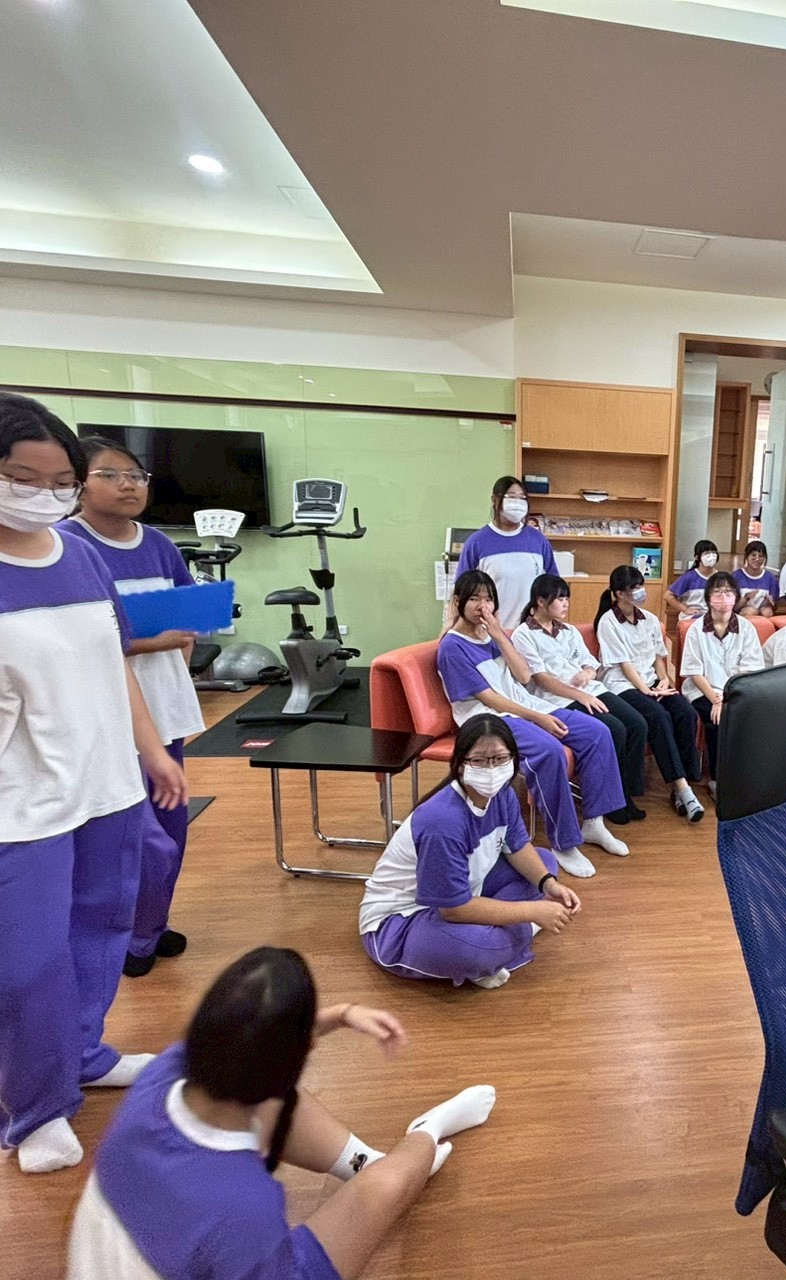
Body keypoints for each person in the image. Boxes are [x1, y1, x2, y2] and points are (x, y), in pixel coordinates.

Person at [0, 392, 186, 1175]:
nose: (44, 495)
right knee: (28, 964)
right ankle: (36, 1108)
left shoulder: (77, 555)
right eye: (23, 478)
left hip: (109, 786)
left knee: (100, 932)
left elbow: (115, 660)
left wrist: (152, 750)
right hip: (23, 805)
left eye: (60, 482)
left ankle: (82, 1052)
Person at [67, 946, 496, 1279]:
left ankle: (363, 1161)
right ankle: (426, 1132)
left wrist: (341, 1016)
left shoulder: (164, 1072)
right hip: (217, 1247)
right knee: (380, 1193)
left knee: (279, 1101)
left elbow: (247, 1040)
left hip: (125, 1250)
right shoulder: (245, 1202)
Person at [61, 436, 205, 978]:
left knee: (170, 830)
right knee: (130, 840)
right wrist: (151, 643)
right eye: (112, 474)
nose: (128, 485)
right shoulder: (67, 544)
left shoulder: (160, 543)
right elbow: (72, 641)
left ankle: (150, 926)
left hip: (162, 711)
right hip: (101, 718)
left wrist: (178, 652)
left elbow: (187, 618)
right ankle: (120, 935)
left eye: (137, 476)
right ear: (79, 483)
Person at [361, 716, 582, 990]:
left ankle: (500, 939)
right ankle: (504, 941)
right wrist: (532, 911)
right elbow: (453, 910)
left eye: (500, 759)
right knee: (477, 950)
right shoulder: (442, 822)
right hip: (403, 920)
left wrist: (548, 884)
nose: (491, 769)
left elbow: (517, 846)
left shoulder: (502, 794)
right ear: (459, 764)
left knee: (544, 863)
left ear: (513, 759)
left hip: (463, 892)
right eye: (479, 760)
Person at [436, 570, 628, 879]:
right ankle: (564, 843)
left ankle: (594, 822)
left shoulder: (491, 635)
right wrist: (537, 718)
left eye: (488, 599)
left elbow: (524, 676)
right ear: (458, 601)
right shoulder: (451, 647)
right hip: (488, 718)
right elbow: (490, 699)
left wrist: (499, 635)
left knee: (598, 732)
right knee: (549, 751)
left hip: (523, 704)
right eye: (474, 599)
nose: (483, 606)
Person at [513, 573, 648, 822]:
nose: (565, 604)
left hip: (591, 690)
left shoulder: (569, 630)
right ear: (541, 601)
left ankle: (626, 793)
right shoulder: (524, 634)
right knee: (615, 729)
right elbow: (541, 679)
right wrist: (580, 695)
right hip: (558, 699)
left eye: (567, 598)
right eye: (560, 599)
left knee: (637, 724)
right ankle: (612, 801)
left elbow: (590, 662)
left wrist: (587, 672)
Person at [595, 564, 705, 822]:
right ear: (619, 593)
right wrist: (646, 690)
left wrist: (664, 680)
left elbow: (658, 656)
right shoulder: (608, 622)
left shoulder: (650, 619)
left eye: (641, 586)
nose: (640, 592)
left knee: (686, 712)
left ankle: (682, 786)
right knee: (658, 716)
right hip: (622, 685)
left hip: (651, 681)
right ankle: (682, 788)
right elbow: (625, 665)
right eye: (634, 588)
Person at [679, 572, 765, 796]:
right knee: (717, 719)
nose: (723, 597)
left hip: (736, 690)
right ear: (708, 597)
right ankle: (718, 779)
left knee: (751, 715)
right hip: (702, 690)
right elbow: (695, 672)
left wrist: (725, 697)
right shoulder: (696, 629)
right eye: (717, 592)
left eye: (728, 592)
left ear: (736, 596)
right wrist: (716, 699)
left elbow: (749, 670)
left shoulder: (746, 628)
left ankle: (746, 774)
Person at [455, 476, 557, 629]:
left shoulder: (538, 540)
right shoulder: (477, 542)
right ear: (494, 500)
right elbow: (461, 590)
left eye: (522, 498)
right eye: (511, 497)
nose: (517, 503)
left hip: (531, 631)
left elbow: (554, 585)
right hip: (490, 631)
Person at [664, 539, 719, 619]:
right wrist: (685, 609)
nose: (711, 556)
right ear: (697, 557)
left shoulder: (721, 577)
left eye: (713, 552)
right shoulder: (689, 577)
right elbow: (668, 595)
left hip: (715, 616)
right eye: (707, 553)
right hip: (693, 617)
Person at [732, 541, 780, 616]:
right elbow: (733, 608)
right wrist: (746, 598)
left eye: (761, 556)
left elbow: (774, 605)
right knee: (750, 611)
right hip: (742, 614)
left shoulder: (770, 577)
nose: (757, 559)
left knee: (767, 612)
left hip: (762, 613)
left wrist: (770, 603)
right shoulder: (736, 576)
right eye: (753, 555)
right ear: (746, 556)